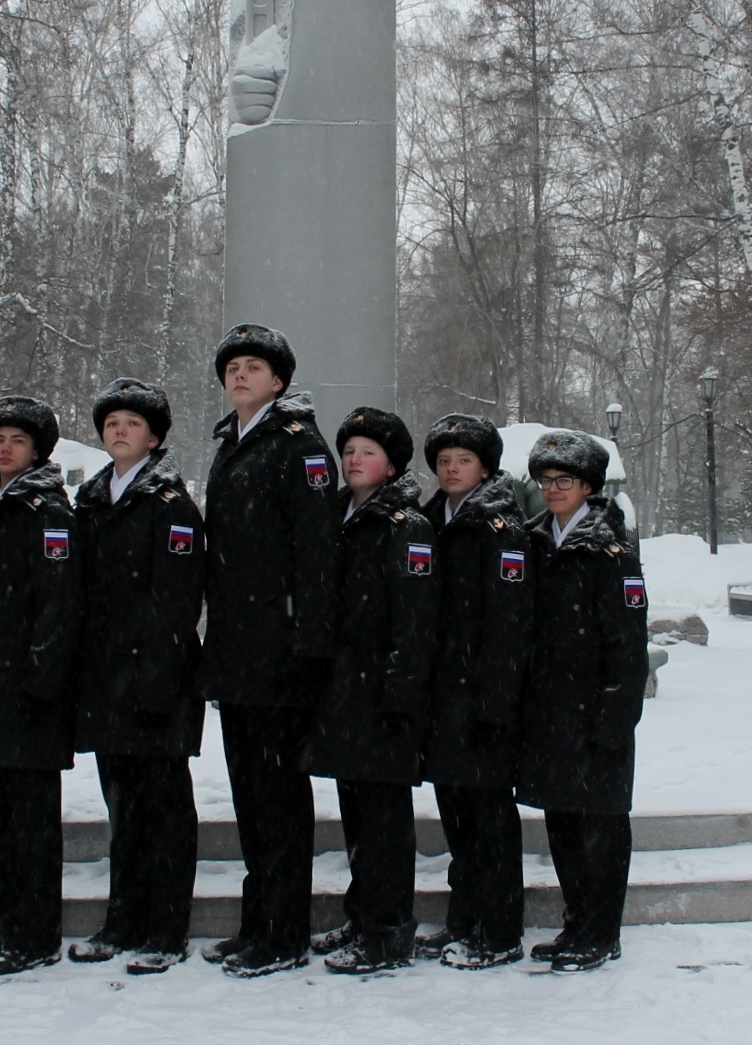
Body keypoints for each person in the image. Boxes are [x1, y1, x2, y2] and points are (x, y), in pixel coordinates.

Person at [199, 323, 341, 977]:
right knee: (250, 797)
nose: (240, 374)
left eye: (253, 366)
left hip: (280, 655)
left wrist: (309, 647)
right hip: (237, 654)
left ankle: (286, 932)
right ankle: (259, 920)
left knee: (279, 799)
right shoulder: (231, 445)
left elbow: (317, 552)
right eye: (232, 367)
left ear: (278, 382)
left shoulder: (299, 446)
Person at [68, 379, 206, 976]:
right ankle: (122, 920)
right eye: (112, 423)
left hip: (157, 679)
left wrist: (157, 679)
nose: (119, 431)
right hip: (107, 681)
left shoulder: (171, 505)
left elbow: (177, 601)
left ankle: (165, 929)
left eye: (132, 423)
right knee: (122, 808)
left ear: (154, 438)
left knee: (165, 811)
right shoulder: (91, 501)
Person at [0, 396, 82, 975]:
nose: (5, 449)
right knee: (1, 817)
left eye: (18, 441)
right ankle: (8, 926)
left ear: (38, 451)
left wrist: (41, 678)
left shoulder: (48, 511)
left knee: (32, 823)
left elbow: (59, 602)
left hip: (30, 692)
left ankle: (34, 934)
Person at [305, 407, 439, 974]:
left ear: (391, 466)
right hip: (344, 693)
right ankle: (363, 917)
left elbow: (416, 619)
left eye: (368, 453)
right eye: (349, 451)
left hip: (383, 696)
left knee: (385, 823)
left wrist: (399, 695)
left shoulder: (406, 526)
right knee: (358, 816)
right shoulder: (337, 514)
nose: (354, 460)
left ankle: (388, 932)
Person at [516, 430, 649, 972]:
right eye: (545, 480)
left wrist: (616, 719)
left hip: (595, 714)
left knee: (601, 828)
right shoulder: (533, 542)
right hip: (549, 713)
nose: (553, 489)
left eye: (564, 480)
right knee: (563, 825)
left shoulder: (612, 551)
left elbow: (628, 647)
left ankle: (601, 932)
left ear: (589, 486)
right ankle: (577, 923)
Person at [417, 414, 535, 969]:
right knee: (456, 816)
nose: (451, 469)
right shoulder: (430, 521)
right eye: (443, 461)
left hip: (483, 698)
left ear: (485, 469)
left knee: (490, 819)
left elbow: (510, 623)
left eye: (463, 461)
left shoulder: (502, 529)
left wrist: (495, 701)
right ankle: (464, 919)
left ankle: (501, 930)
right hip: (442, 696)